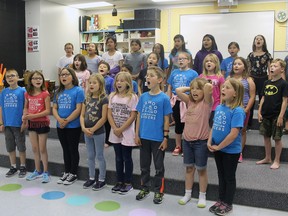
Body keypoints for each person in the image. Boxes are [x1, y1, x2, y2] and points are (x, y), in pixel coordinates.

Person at [207, 78, 245, 216]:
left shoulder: (238, 111)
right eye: (223, 87)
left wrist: (219, 146)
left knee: (229, 177)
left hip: (230, 151)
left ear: (235, 93)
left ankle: (228, 203)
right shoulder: (219, 107)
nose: (223, 89)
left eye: (227, 88)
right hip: (218, 149)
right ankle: (221, 200)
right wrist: (210, 142)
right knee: (221, 175)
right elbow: (214, 127)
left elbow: (234, 134)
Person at [135, 66, 172, 204]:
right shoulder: (143, 97)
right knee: (144, 166)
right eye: (147, 76)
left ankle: (158, 191)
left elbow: (166, 119)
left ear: (160, 79)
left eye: (151, 75)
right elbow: (138, 116)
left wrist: (166, 137)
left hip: (157, 139)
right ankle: (144, 187)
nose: (147, 78)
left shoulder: (164, 98)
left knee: (158, 167)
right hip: (144, 137)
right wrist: (136, 134)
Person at [176, 78, 213, 208]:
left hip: (200, 142)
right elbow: (178, 90)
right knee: (189, 168)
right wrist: (190, 87)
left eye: (198, 89)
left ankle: (202, 195)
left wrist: (202, 85)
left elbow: (208, 86)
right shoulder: (189, 101)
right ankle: (188, 194)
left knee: (201, 170)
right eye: (193, 89)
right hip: (187, 141)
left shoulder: (207, 103)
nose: (195, 91)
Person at [53, 67, 85, 185]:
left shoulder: (78, 90)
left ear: (72, 76)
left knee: (72, 149)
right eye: (62, 75)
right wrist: (59, 120)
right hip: (60, 125)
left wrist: (66, 121)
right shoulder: (58, 91)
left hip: (73, 126)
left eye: (66, 74)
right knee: (65, 149)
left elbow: (78, 109)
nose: (64, 77)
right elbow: (54, 108)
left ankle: (73, 173)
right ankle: (66, 171)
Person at [108, 72, 138, 195]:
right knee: (118, 158)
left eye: (122, 81)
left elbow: (133, 116)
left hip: (127, 131)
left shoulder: (133, 97)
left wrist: (121, 129)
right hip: (115, 131)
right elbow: (109, 113)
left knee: (126, 157)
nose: (119, 83)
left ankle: (128, 182)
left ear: (128, 83)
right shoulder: (112, 96)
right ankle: (119, 181)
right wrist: (115, 128)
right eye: (117, 81)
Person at [256, 59, 288, 169]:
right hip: (266, 114)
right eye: (271, 66)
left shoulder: (284, 84)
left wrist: (281, 116)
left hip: (276, 115)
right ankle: (268, 157)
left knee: (277, 138)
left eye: (275, 66)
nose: (272, 68)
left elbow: (285, 101)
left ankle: (277, 160)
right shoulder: (266, 83)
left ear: (282, 69)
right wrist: (259, 112)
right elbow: (263, 98)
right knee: (266, 136)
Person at [167, 52, 198, 156]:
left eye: (183, 59)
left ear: (188, 60)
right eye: (179, 59)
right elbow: (170, 87)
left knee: (188, 124)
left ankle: (187, 147)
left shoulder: (193, 73)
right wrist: (169, 99)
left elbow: (196, 88)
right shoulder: (174, 72)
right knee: (178, 125)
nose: (180, 61)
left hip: (187, 101)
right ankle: (178, 146)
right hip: (176, 101)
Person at [80, 74, 108, 190]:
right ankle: (91, 177)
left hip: (98, 132)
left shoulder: (104, 99)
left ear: (100, 85)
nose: (91, 85)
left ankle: (102, 179)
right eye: (90, 82)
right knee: (90, 156)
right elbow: (82, 115)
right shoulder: (86, 99)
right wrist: (83, 128)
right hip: (87, 132)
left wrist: (93, 129)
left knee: (99, 156)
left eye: (94, 83)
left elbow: (103, 118)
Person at [22, 71, 51, 183]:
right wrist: (25, 116)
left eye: (40, 78)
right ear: (31, 81)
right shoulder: (27, 94)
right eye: (35, 78)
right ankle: (37, 170)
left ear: (42, 80)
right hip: (32, 124)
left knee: (42, 148)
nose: (37, 80)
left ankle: (45, 172)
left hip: (42, 123)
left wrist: (32, 116)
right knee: (34, 148)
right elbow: (26, 107)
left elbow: (47, 111)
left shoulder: (45, 94)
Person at [0, 69, 27, 178]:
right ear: (5, 79)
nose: (10, 78)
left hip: (18, 123)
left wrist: (24, 122)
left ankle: (23, 166)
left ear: (18, 77)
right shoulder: (3, 92)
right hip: (7, 124)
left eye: (12, 76)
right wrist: (1, 122)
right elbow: (1, 108)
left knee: (21, 146)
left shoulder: (22, 91)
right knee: (10, 146)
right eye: (8, 77)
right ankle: (13, 166)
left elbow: (26, 108)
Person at [228, 57, 256, 162]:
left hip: (242, 109)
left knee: (242, 131)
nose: (236, 66)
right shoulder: (229, 78)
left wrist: (247, 109)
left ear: (244, 67)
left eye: (239, 64)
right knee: (230, 130)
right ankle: (229, 148)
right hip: (230, 108)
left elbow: (252, 96)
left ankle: (239, 152)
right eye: (235, 64)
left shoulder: (248, 80)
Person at [247, 35, 273, 128]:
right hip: (252, 78)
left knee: (264, 100)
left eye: (260, 39)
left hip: (264, 78)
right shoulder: (250, 55)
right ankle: (248, 124)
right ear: (254, 42)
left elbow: (270, 69)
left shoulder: (267, 55)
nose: (258, 40)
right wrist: (248, 79)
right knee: (251, 100)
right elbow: (248, 69)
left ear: (263, 42)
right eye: (256, 39)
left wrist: (270, 80)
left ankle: (263, 123)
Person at [199, 53, 225, 128]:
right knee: (204, 125)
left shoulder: (220, 77)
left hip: (215, 106)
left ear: (216, 64)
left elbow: (222, 93)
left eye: (211, 61)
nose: (209, 63)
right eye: (207, 61)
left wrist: (221, 104)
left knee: (212, 126)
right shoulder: (201, 76)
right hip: (204, 105)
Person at [98, 61, 114, 148]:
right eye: (100, 66)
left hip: (107, 103)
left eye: (104, 67)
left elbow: (112, 92)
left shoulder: (111, 80)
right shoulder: (95, 78)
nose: (102, 68)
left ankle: (108, 140)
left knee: (107, 123)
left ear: (108, 71)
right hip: (97, 103)